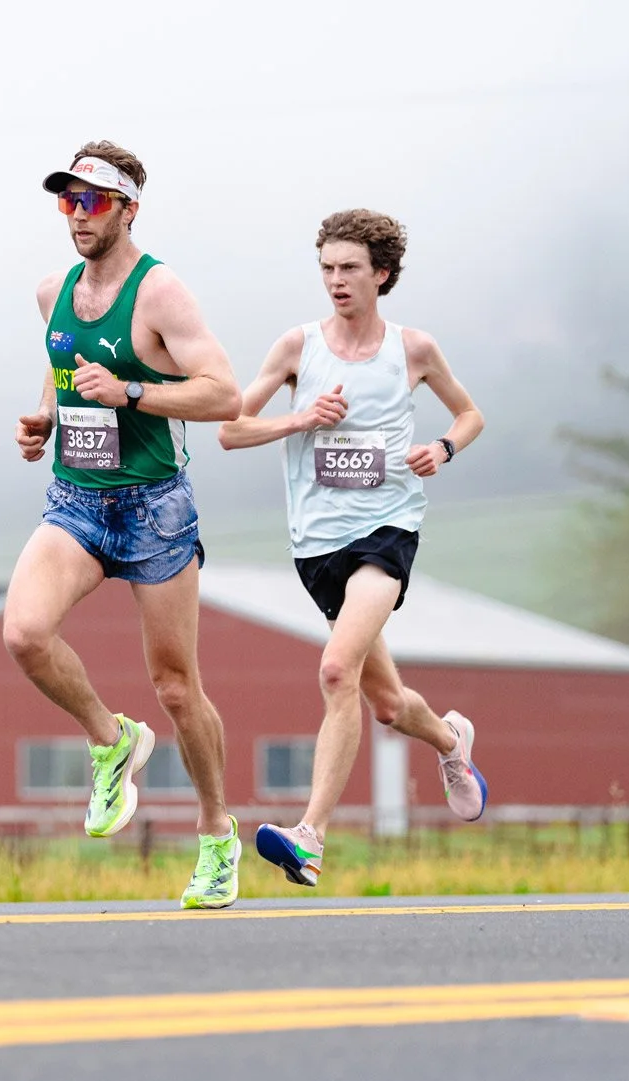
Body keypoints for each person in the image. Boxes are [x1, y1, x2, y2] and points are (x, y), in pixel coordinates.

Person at [216, 208, 488, 887]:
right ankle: (453, 741)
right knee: (390, 704)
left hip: (387, 530)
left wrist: (442, 448)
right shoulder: (295, 348)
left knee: (337, 670)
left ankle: (309, 836)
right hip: (318, 546)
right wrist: (302, 416)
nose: (336, 281)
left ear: (382, 275)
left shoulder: (413, 350)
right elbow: (230, 431)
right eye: (327, 269)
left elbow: (470, 413)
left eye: (349, 269)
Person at [6, 141, 245, 909]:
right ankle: (111, 740)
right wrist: (47, 413)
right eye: (67, 199)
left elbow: (224, 396)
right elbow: (62, 357)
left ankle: (216, 837)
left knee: (177, 689)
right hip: (75, 498)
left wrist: (134, 394)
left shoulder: (160, 294)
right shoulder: (53, 291)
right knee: (23, 634)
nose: (77, 214)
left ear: (128, 209)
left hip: (153, 507)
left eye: (93, 201)